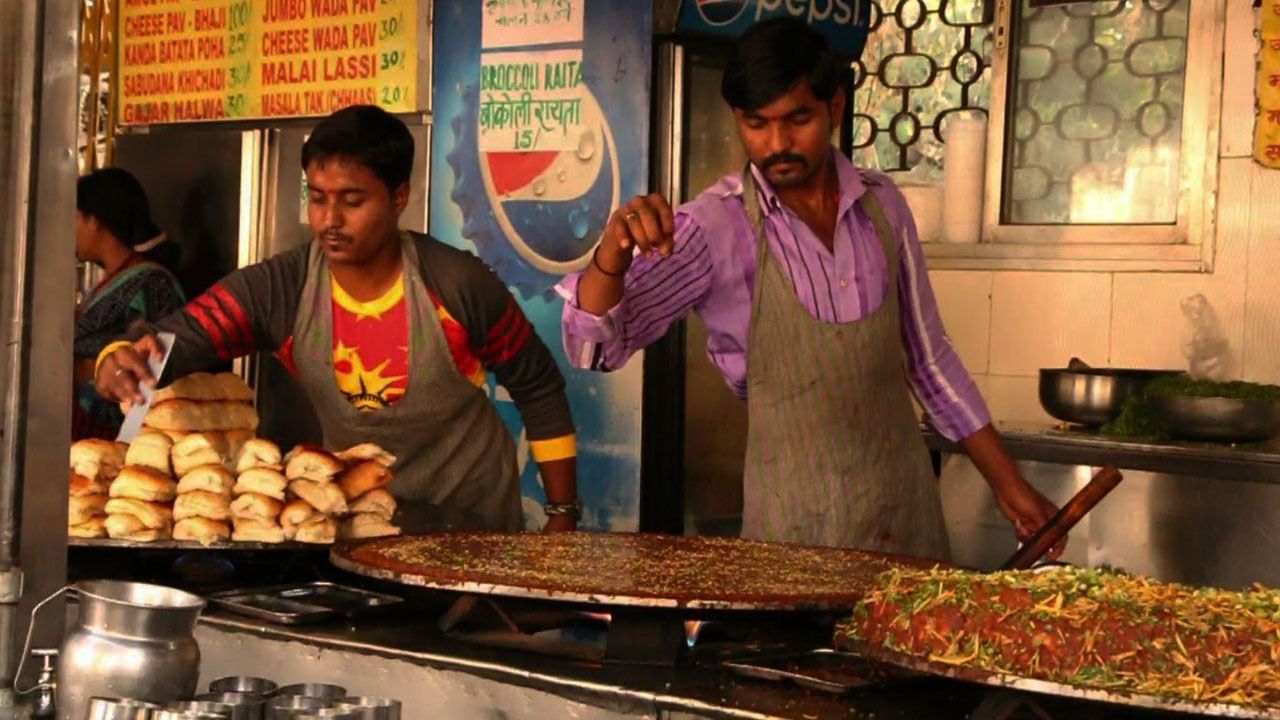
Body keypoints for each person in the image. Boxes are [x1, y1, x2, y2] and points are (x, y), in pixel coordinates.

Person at [559, 18, 1060, 559]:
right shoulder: (715, 229)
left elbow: (928, 360)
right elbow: (595, 349)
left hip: (905, 519)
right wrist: (611, 255)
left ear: (834, 109)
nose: (777, 144)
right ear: (738, 121)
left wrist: (1009, 487)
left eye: (797, 119)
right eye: (757, 124)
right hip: (792, 539)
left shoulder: (883, 205)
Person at [94, 105, 580, 531]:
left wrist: (561, 514)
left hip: (472, 527)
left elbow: (537, 384)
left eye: (352, 201)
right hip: (355, 522)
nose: (329, 220)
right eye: (318, 197)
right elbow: (181, 339)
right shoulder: (281, 289)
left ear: (399, 197)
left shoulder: (456, 284)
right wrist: (119, 358)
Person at [74, 167, 186, 440]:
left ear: (95, 220)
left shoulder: (152, 283)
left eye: (73, 217)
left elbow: (155, 367)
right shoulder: (109, 280)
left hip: (118, 441)